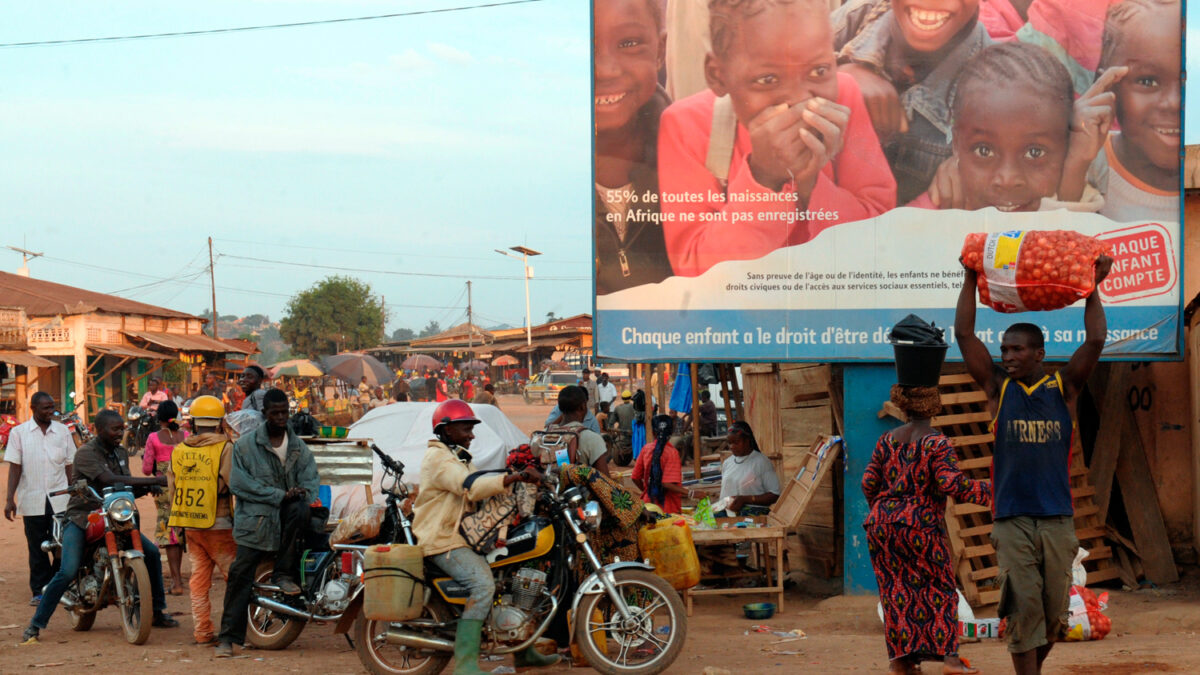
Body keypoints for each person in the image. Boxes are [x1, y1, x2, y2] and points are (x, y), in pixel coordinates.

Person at [955, 253, 1112, 675]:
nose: (1007, 355)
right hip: (1012, 520)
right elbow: (964, 333)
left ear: (1038, 353)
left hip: (1058, 520)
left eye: (1017, 349)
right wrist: (970, 276)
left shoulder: (1064, 388)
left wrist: (1093, 286)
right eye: (1004, 348)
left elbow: (1095, 341)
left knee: (1054, 617)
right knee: (1024, 607)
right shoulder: (997, 389)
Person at [658, 0, 896, 278]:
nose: (799, 99)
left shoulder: (845, 98)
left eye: (819, 71)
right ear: (717, 74)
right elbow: (695, 270)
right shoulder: (686, 125)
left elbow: (881, 242)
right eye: (767, 79)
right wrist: (764, 177)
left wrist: (809, 185)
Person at [411, 400, 553, 674]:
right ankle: (465, 665)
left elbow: (484, 483)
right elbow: (471, 487)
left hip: (463, 536)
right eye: (466, 429)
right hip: (443, 540)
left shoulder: (458, 456)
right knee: (483, 586)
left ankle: (523, 652)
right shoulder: (438, 459)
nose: (471, 435)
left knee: (511, 577)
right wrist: (514, 477)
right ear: (447, 429)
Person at [864, 385, 991, 675]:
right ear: (935, 407)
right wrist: (989, 492)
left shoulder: (886, 440)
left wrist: (887, 510)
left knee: (895, 590)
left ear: (903, 407)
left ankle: (901, 662)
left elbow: (868, 483)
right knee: (942, 589)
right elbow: (949, 483)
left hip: (880, 524)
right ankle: (950, 661)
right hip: (920, 525)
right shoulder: (937, 443)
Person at [22, 409, 178, 644]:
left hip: (114, 513)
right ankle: (36, 624)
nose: (120, 432)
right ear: (99, 430)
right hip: (84, 515)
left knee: (153, 553)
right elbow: (107, 480)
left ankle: (156, 612)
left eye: (122, 428)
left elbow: (123, 485)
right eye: (115, 429)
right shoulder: (85, 453)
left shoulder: (121, 453)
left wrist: (147, 488)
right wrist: (155, 479)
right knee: (68, 570)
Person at [907, 42, 1102, 213]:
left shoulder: (1073, 202)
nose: (1007, 179)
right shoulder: (923, 224)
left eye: (1034, 152)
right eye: (984, 151)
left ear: (1067, 148)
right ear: (956, 145)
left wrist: (1074, 174)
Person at [833, 0, 991, 205]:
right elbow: (782, 67)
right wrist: (837, 76)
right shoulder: (855, 18)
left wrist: (982, 162)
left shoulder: (995, 81)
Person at [215, 389, 320, 658]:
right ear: (265, 414)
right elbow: (239, 484)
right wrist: (278, 495)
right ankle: (228, 638)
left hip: (290, 522)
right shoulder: (245, 446)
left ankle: (283, 574)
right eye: (276, 413)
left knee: (301, 508)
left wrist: (300, 494)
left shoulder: (299, 447)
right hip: (257, 522)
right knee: (240, 576)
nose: (282, 418)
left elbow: (311, 481)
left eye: (285, 412)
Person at [1060, 0, 1180, 223]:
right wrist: (1076, 163)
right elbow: (1058, 234)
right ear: (1108, 86)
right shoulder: (1087, 161)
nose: (1174, 103)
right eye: (1147, 81)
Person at [594, 0, 674, 295]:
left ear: (660, 52)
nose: (604, 70)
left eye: (628, 43)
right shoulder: (544, 172)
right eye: (588, 49)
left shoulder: (703, 166)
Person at [166, 395, 236, 645]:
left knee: (198, 579)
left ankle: (203, 632)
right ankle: (235, 631)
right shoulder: (226, 448)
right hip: (220, 525)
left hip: (191, 525)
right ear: (219, 423)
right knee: (235, 579)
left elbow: (173, 490)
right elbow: (233, 485)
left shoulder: (180, 450)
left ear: (193, 423)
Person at [4, 392, 74, 607]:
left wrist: (74, 493)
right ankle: (40, 591)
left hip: (61, 499)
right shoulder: (19, 433)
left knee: (62, 545)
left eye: (52, 407)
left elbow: (70, 464)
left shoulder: (62, 431)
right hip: (32, 498)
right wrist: (9, 499)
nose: (50, 411)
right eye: (45, 408)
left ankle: (57, 586)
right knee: (37, 547)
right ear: (33, 408)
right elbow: (15, 468)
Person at [143, 399, 188, 595]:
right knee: (183, 530)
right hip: (186, 487)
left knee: (170, 532)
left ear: (158, 417)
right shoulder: (185, 435)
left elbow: (146, 470)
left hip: (163, 488)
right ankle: (186, 581)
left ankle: (176, 582)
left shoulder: (153, 437)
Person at [718, 421, 779, 516]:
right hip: (728, 511)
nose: (732, 447)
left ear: (747, 440)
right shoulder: (727, 463)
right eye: (729, 443)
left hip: (753, 510)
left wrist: (745, 499)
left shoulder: (761, 462)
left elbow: (774, 495)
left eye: (736, 442)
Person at [631, 414, 686, 514]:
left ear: (652, 432)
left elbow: (635, 477)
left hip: (648, 507)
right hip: (668, 509)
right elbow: (666, 483)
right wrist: (691, 493)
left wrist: (648, 490)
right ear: (671, 432)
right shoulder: (672, 453)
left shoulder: (646, 449)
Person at [553, 385, 612, 476]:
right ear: (583, 406)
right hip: (577, 489)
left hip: (549, 488)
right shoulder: (591, 438)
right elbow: (605, 482)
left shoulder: (545, 435)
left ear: (560, 408)